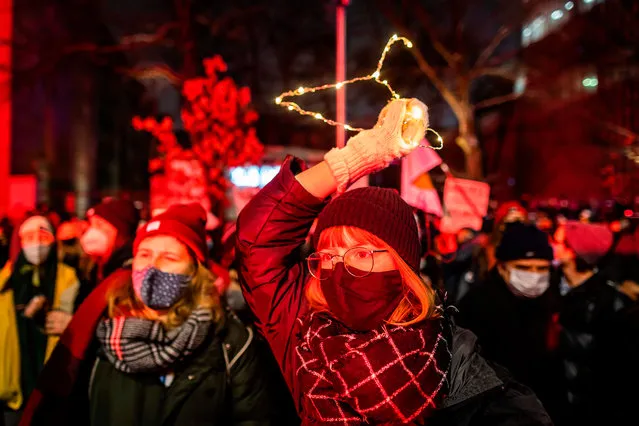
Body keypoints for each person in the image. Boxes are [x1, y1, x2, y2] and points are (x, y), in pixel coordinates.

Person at [237, 99, 552, 425]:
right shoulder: (302, 330)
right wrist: (360, 155)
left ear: (402, 266)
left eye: (361, 254)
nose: (339, 269)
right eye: (328, 256)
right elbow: (257, 239)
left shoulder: (452, 361)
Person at [20, 204, 283, 425]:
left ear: (195, 271)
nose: (153, 266)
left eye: (169, 257)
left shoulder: (230, 341)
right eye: (144, 254)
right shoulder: (100, 331)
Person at [457, 222, 562, 420]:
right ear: (503, 267)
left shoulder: (551, 301)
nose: (533, 275)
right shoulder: (477, 305)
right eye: (523, 267)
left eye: (541, 268)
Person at [0, 216, 79, 426]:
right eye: (29, 236)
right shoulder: (6, 280)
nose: (36, 242)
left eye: (43, 236)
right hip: (13, 389)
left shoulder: (71, 277)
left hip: (55, 384)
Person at [76, 199, 139, 308]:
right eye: (91, 224)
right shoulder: (96, 266)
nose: (92, 231)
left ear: (120, 231)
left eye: (99, 225)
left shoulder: (127, 271)